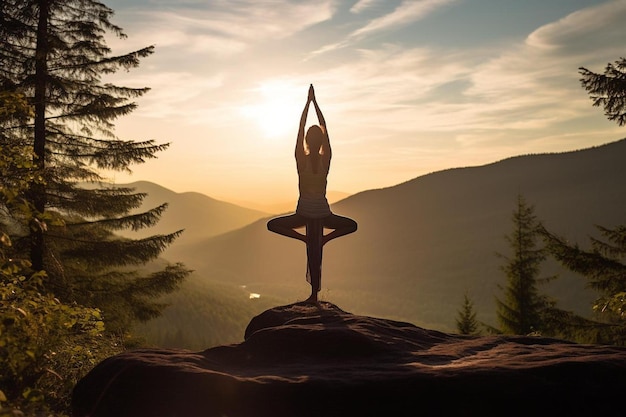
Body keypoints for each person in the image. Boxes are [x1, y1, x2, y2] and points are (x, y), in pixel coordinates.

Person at [267, 84, 357, 304]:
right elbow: (325, 128)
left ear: (307, 141)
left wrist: (307, 104)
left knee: (275, 226)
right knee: (347, 228)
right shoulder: (326, 160)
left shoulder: (301, 160)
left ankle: (305, 239)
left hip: (304, 214)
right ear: (321, 142)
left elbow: (300, 129)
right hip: (323, 214)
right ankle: (323, 245)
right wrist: (316, 104)